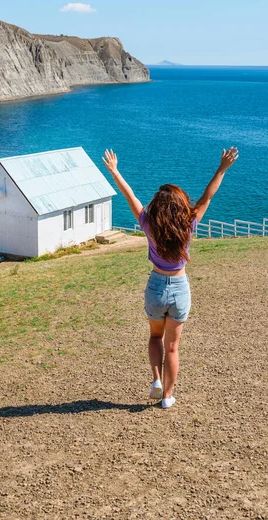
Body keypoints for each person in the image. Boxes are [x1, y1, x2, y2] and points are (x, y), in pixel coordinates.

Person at [102, 146, 239, 409]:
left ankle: (155, 380)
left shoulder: (147, 223)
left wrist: (115, 171)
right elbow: (207, 196)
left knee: (155, 338)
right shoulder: (189, 224)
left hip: (155, 286)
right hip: (179, 288)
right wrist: (222, 168)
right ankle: (167, 397)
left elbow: (129, 195)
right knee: (172, 347)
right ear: (180, 207)